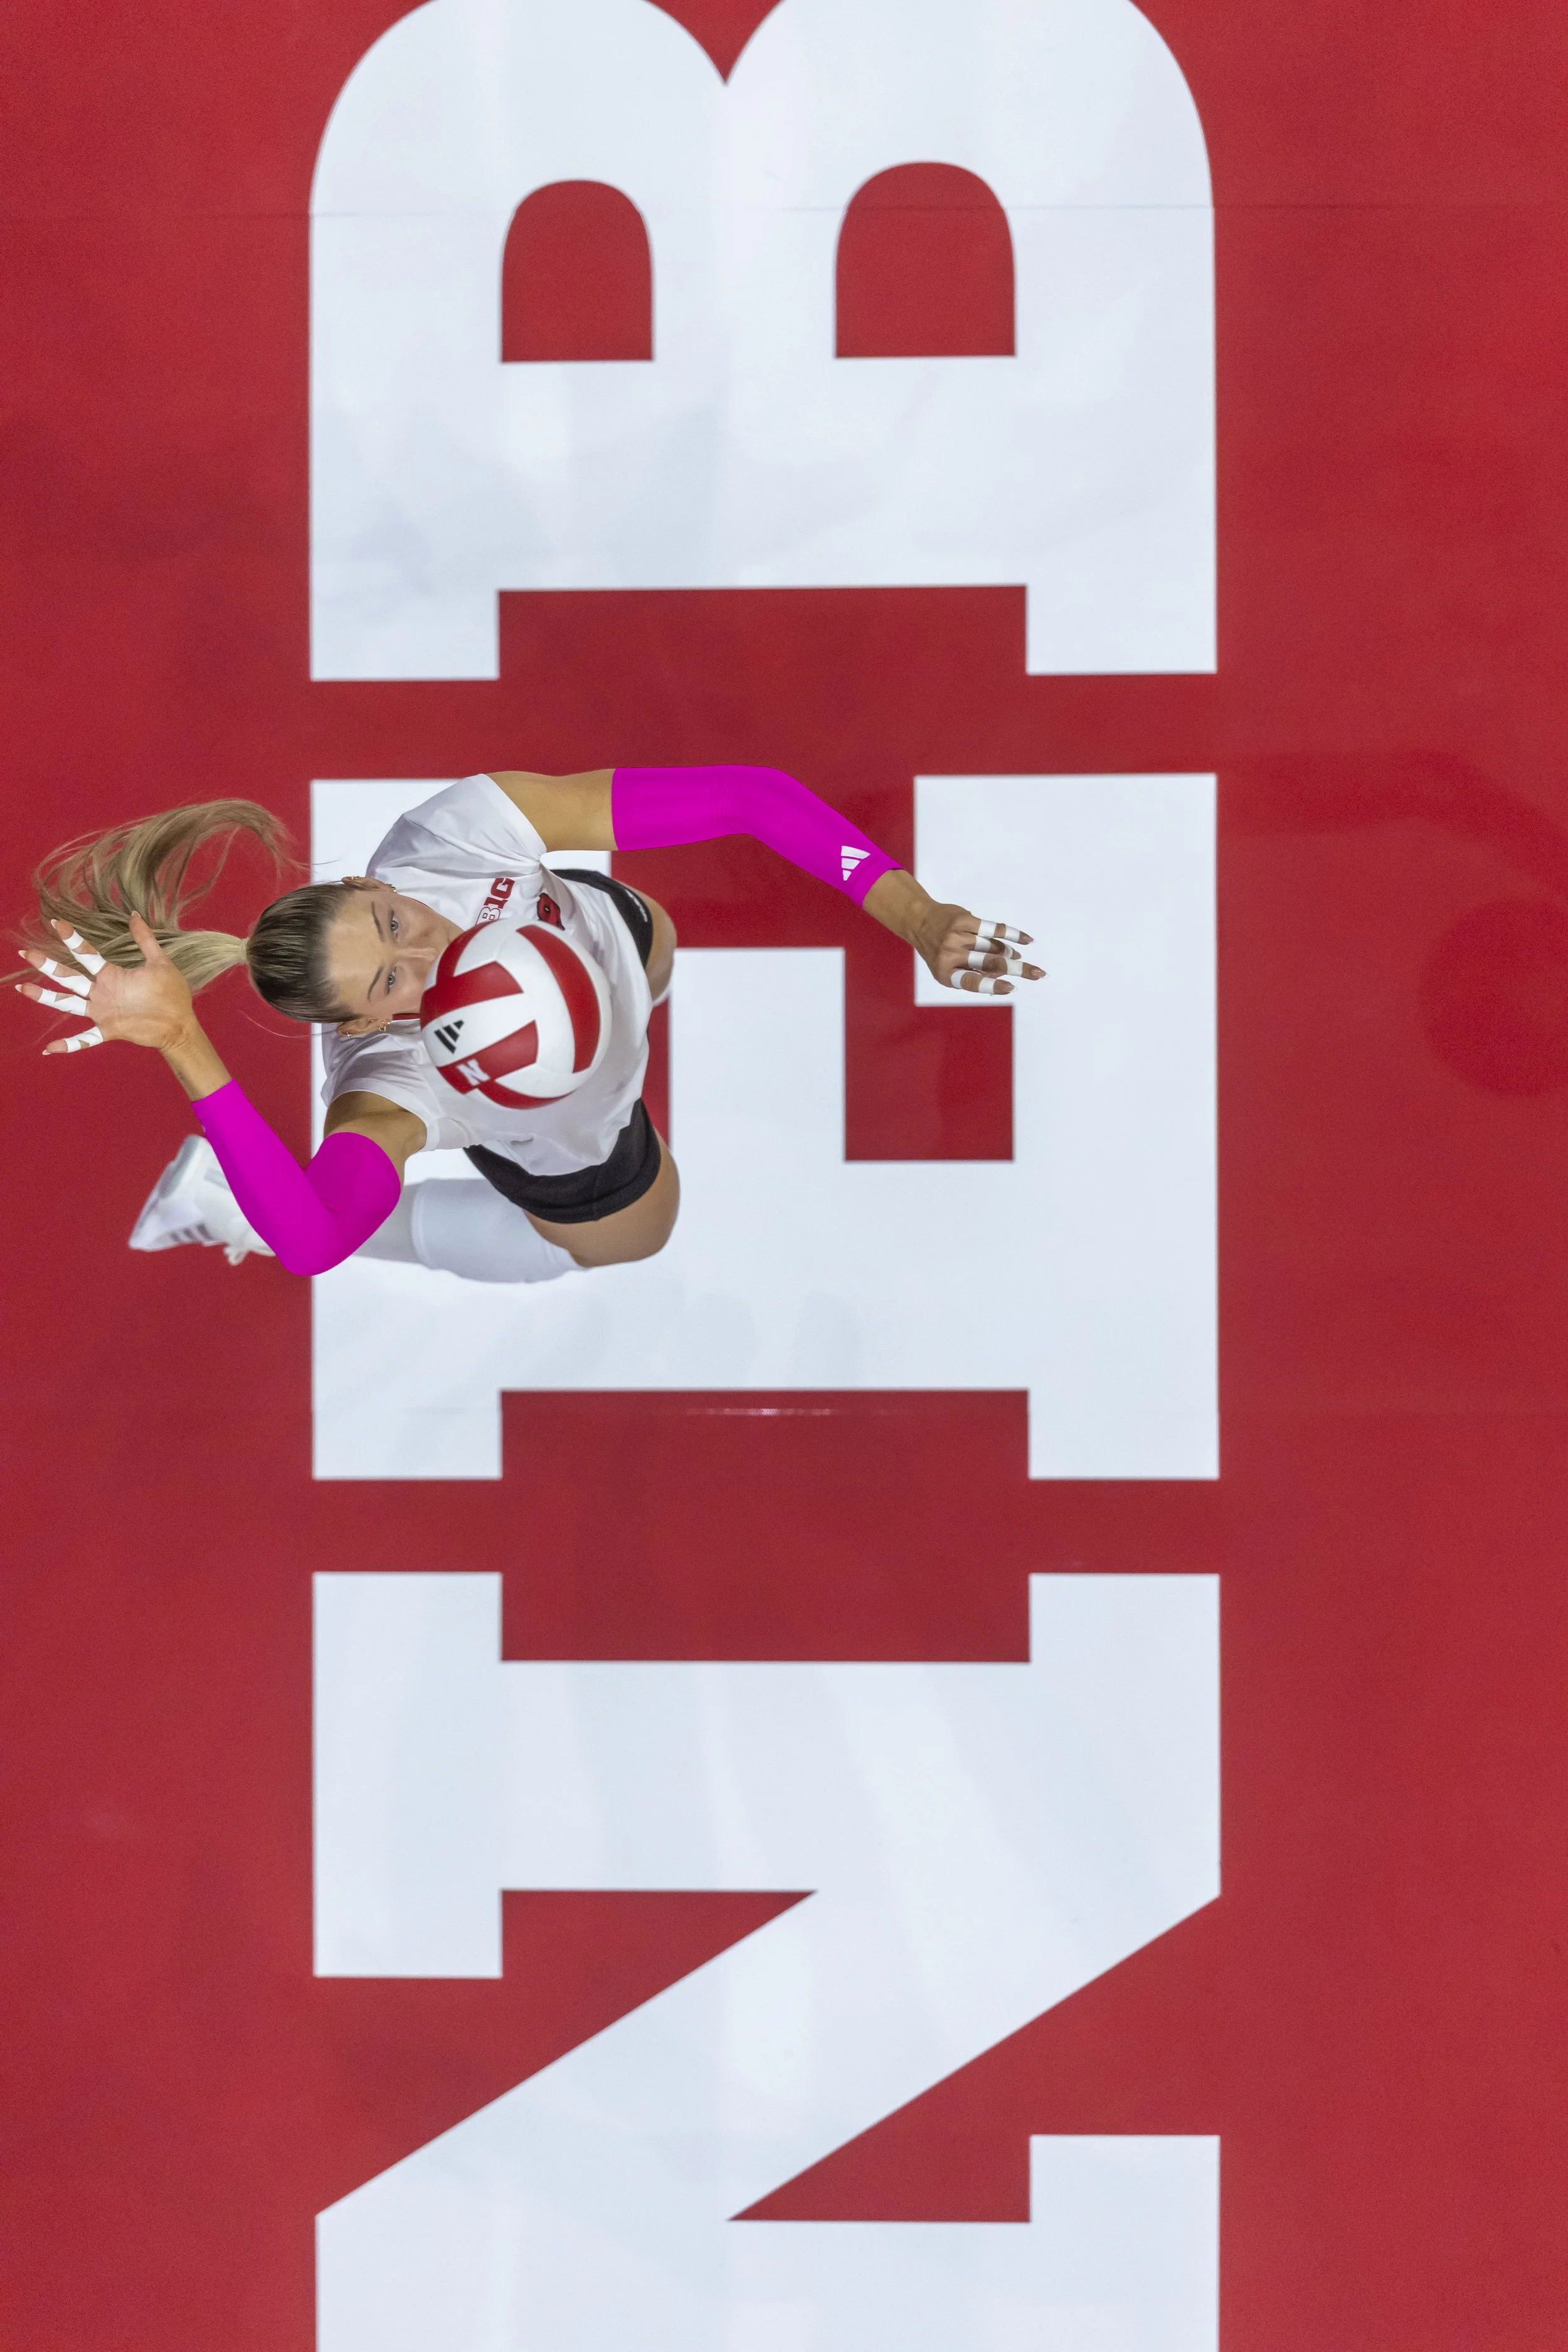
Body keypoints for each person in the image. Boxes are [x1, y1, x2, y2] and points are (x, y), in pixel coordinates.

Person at [13, 765, 1041, 1283]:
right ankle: (228, 1197)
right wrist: (186, 1044)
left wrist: (918, 914)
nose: (427, 958)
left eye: (394, 923)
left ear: (378, 877)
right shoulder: (393, 1082)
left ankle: (619, 1006)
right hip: (574, 1148)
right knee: (634, 1237)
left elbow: (750, 796)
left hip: (617, 937)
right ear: (366, 1030)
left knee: (659, 941)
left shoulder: (453, 832)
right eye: (389, 986)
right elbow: (319, 1243)